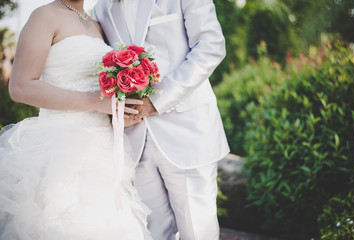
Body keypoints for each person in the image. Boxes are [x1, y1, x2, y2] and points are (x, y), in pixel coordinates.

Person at [0, 0, 152, 239]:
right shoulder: (44, 16)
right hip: (61, 146)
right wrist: (94, 101)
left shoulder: (98, 22)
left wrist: (118, 111)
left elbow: (100, 89)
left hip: (103, 148)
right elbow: (20, 87)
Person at [94, 0, 230, 239]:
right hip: (133, 142)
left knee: (197, 230)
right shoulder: (101, 8)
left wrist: (156, 101)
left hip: (187, 132)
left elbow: (211, 46)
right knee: (151, 232)